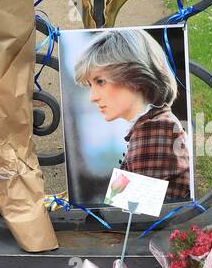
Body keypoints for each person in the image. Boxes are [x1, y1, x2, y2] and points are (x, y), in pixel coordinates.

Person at [72, 29, 190, 200]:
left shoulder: (155, 128)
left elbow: (133, 211)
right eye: (91, 85)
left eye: (100, 81)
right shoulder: (150, 124)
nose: (93, 97)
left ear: (134, 76)